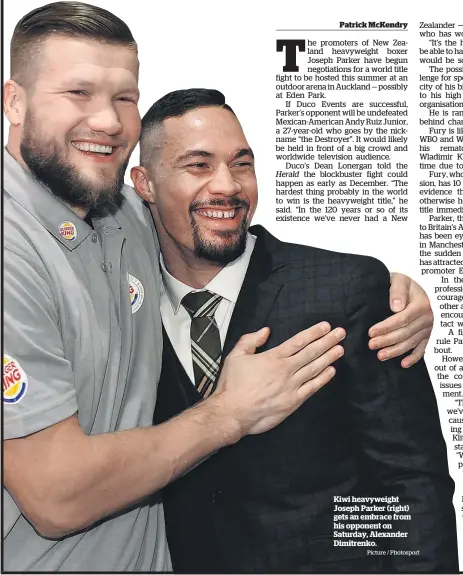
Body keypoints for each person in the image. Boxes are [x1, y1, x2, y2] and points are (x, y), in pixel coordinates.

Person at [2, 2, 435, 571]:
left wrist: (392, 291)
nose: (107, 121)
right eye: (77, 93)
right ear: (14, 101)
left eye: (124, 98)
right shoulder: (16, 249)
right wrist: (230, 412)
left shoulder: (116, 208)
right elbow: (56, 497)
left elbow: (411, 482)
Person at [131, 88, 459, 573]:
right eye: (198, 165)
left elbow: (411, 482)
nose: (227, 185)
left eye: (242, 163)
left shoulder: (346, 290)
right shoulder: (119, 306)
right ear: (145, 184)